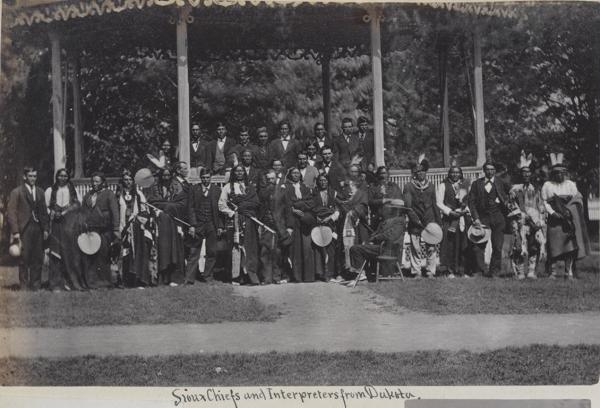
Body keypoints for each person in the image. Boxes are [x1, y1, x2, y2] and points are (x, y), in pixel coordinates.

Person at [541, 153, 590, 279]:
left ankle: (568, 272)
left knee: (569, 246)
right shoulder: (547, 185)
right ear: (553, 173)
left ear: (565, 173)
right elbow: (544, 202)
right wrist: (553, 213)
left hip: (568, 220)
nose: (559, 175)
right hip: (554, 220)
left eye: (562, 172)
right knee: (553, 245)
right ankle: (552, 272)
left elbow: (577, 199)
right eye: (556, 173)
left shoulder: (570, 184)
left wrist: (569, 211)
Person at [7, 166, 50, 290]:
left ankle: (36, 285)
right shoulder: (17, 192)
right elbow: (11, 212)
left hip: (38, 228)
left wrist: (46, 228)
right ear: (24, 177)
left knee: (37, 257)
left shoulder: (40, 191)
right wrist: (15, 232)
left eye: (35, 176)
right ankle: (24, 286)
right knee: (24, 258)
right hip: (24, 228)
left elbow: (44, 213)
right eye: (30, 176)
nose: (33, 179)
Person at [467, 160, 511, 277]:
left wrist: (510, 197)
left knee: (497, 246)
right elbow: (471, 202)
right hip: (482, 217)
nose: (490, 172)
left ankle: (494, 271)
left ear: (495, 171)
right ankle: (480, 270)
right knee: (478, 246)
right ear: (484, 171)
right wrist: (475, 217)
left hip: (498, 216)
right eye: (488, 169)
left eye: (492, 169)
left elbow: (511, 192)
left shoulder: (501, 182)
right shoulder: (477, 184)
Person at [219, 165, 261, 285]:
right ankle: (237, 277)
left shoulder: (250, 188)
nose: (239, 173)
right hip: (235, 221)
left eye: (241, 171)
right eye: (237, 171)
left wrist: (244, 207)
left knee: (250, 248)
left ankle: (251, 276)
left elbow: (256, 202)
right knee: (236, 248)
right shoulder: (228, 187)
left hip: (249, 220)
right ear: (233, 173)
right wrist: (233, 213)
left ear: (244, 173)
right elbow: (221, 205)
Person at [507, 152, 547, 280]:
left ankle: (531, 270)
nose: (526, 174)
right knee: (519, 246)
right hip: (519, 221)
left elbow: (539, 205)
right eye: (524, 172)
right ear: (520, 174)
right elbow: (511, 205)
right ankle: (519, 271)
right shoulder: (514, 189)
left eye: (528, 172)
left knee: (533, 245)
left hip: (533, 222)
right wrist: (523, 217)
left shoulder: (534, 189)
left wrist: (539, 220)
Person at [145, 167, 186, 286]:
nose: (166, 178)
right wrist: (169, 206)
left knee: (175, 250)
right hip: (160, 224)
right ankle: (161, 278)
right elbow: (153, 202)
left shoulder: (177, 187)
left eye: (168, 175)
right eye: (164, 175)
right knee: (162, 250)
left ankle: (174, 278)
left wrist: (167, 207)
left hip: (174, 223)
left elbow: (182, 203)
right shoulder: (155, 188)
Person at [79, 172, 120, 289]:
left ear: (103, 182)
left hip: (104, 229)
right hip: (91, 230)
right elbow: (83, 212)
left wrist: (116, 228)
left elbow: (115, 212)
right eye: (93, 181)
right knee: (91, 255)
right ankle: (92, 282)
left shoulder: (109, 194)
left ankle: (105, 282)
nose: (94, 183)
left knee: (103, 255)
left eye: (97, 181)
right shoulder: (88, 195)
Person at [403, 156, 441, 278]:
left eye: (422, 171)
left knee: (431, 246)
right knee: (416, 247)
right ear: (414, 173)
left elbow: (434, 204)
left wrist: (438, 222)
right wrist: (415, 219)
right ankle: (417, 271)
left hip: (430, 220)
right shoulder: (409, 186)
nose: (420, 173)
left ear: (426, 172)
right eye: (417, 172)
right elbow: (408, 207)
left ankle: (430, 271)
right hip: (416, 221)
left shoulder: (431, 186)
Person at [44, 168, 81, 290]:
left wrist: (65, 212)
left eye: (65, 176)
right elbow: (46, 207)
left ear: (68, 178)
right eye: (60, 176)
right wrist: (53, 213)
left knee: (69, 252)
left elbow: (77, 205)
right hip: (56, 224)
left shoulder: (72, 190)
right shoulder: (50, 190)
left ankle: (70, 282)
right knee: (55, 252)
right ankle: (56, 284)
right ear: (57, 177)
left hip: (69, 225)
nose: (63, 178)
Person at [187, 168, 224, 283]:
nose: (205, 180)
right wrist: (192, 225)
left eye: (207, 177)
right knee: (194, 251)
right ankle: (190, 278)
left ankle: (208, 276)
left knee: (211, 251)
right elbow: (191, 208)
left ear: (211, 178)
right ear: (200, 178)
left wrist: (220, 226)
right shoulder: (194, 189)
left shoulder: (217, 190)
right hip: (198, 224)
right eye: (203, 177)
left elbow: (220, 209)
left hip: (212, 224)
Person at [436, 163, 473, 278]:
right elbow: (439, 203)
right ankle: (449, 270)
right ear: (449, 174)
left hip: (463, 218)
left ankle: (462, 270)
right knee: (450, 245)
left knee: (464, 244)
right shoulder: (443, 185)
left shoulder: (465, 185)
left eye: (457, 172)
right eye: (453, 172)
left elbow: (470, 201)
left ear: (461, 174)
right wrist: (450, 212)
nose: (455, 174)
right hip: (449, 219)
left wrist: (465, 210)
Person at [349, 208, 407, 280]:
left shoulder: (399, 221)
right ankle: (362, 273)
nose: (386, 210)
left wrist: (375, 238)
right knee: (356, 248)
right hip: (381, 247)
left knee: (356, 249)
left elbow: (390, 236)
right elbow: (376, 234)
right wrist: (369, 240)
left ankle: (360, 274)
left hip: (389, 250)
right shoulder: (385, 221)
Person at [116, 169, 151, 287]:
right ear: (122, 181)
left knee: (137, 253)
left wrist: (137, 221)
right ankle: (125, 281)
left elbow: (145, 211)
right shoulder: (117, 195)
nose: (128, 182)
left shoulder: (139, 194)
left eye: (130, 179)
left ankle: (139, 280)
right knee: (124, 254)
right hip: (122, 228)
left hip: (136, 229)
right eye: (125, 179)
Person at [258, 169, 291, 284]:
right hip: (266, 225)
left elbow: (287, 209)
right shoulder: (262, 192)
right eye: (268, 179)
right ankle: (266, 278)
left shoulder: (282, 191)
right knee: (265, 251)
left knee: (278, 252)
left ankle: (277, 277)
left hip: (279, 225)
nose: (270, 181)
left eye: (272, 179)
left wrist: (289, 226)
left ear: (276, 178)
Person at [284, 167, 316, 282]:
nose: (296, 175)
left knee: (307, 248)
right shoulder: (286, 188)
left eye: (297, 173)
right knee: (295, 249)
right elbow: (286, 204)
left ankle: (308, 277)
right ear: (290, 175)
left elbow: (311, 203)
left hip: (305, 220)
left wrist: (297, 206)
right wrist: (292, 211)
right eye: (293, 173)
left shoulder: (305, 188)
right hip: (293, 221)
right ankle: (297, 277)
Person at [311, 173, 340, 282]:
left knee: (331, 249)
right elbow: (311, 208)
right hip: (318, 224)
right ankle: (320, 273)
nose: (323, 182)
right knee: (319, 248)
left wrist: (330, 218)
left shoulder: (334, 193)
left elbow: (338, 209)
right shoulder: (314, 193)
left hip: (330, 224)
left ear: (328, 181)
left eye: (325, 180)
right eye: (321, 180)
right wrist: (316, 218)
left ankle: (330, 273)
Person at [368, 166, 403, 230]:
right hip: (378, 219)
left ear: (388, 174)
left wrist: (394, 202)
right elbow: (370, 201)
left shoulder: (394, 186)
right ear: (378, 175)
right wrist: (382, 200)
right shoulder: (373, 187)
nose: (383, 175)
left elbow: (400, 200)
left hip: (392, 218)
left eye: (385, 173)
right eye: (381, 173)